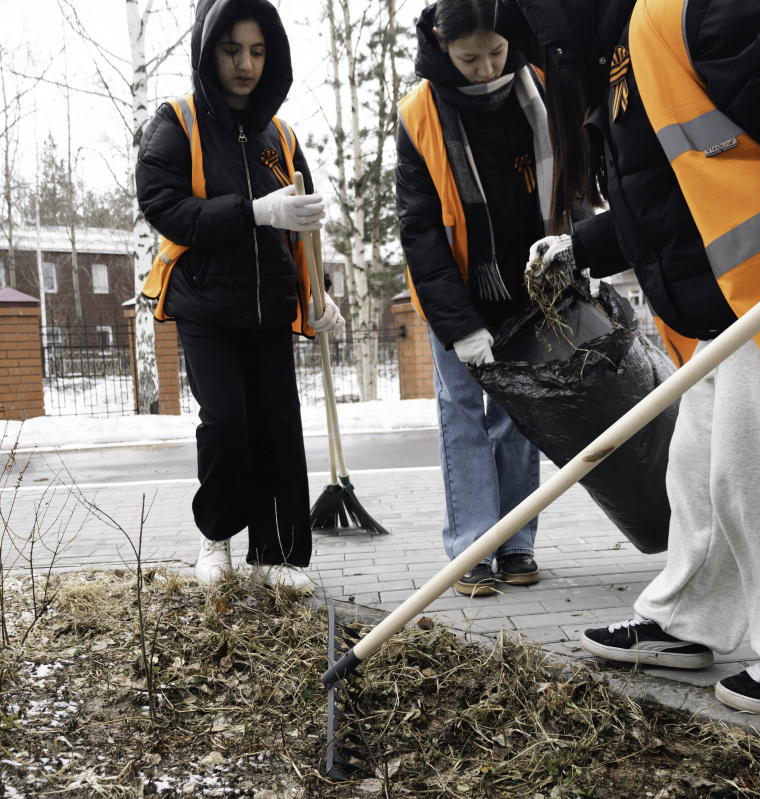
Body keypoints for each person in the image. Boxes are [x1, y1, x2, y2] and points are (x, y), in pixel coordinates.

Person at [496, 0, 760, 713]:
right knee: (702, 476)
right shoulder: (622, 53)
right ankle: (687, 619)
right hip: (727, 312)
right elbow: (667, 200)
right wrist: (583, 246)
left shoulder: (689, 7)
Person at [136, 0, 344, 595]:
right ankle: (216, 537)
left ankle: (276, 555)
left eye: (257, 51)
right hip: (205, 304)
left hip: (270, 306)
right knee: (227, 420)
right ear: (208, 51)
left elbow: (301, 228)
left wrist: (319, 293)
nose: (246, 65)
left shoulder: (281, 136)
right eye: (232, 51)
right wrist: (253, 211)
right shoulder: (177, 122)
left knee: (277, 425)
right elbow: (164, 206)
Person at [395, 0, 555, 596]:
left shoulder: (537, 88)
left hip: (530, 287)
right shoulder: (418, 115)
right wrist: (461, 327)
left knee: (518, 417)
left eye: (496, 52)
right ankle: (472, 547)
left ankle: (514, 542)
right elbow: (421, 233)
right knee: (462, 415)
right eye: (469, 59)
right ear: (443, 46)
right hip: (455, 292)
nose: (487, 69)